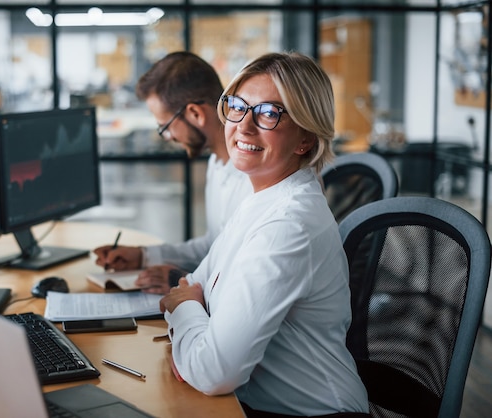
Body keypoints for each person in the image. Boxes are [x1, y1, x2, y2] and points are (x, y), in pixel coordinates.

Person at [159, 52, 369, 417]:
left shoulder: (288, 225)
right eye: (237, 106)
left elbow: (213, 370)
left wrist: (187, 313)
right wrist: (192, 315)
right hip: (254, 405)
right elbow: (192, 283)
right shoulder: (261, 198)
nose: (243, 125)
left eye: (269, 113)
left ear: (305, 138)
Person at [93, 51, 252, 294]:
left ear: (196, 114)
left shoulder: (252, 179)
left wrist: (181, 279)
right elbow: (212, 246)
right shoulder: (218, 163)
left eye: (165, 127)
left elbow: (246, 279)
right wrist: (143, 256)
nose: (169, 138)